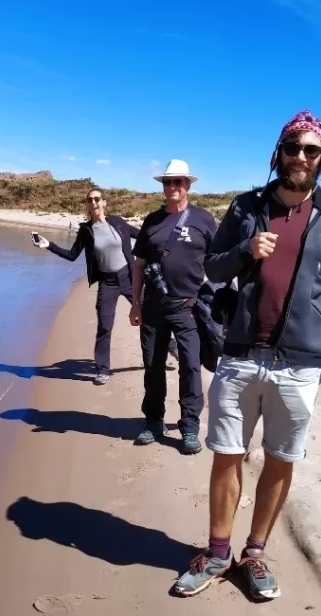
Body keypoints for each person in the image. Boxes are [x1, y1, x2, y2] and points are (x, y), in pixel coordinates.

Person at [173, 110, 321, 600]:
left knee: (280, 460)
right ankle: (217, 553)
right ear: (278, 152)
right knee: (226, 456)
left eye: (310, 150)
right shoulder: (246, 206)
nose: (300, 157)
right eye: (292, 147)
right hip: (240, 355)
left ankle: (254, 554)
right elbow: (211, 269)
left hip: (299, 364)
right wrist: (246, 251)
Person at [34, 188, 176, 385]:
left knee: (150, 314)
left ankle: (171, 345)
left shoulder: (117, 222)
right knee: (104, 326)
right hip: (107, 283)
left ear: (104, 202)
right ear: (88, 204)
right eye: (90, 200)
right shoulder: (86, 231)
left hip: (129, 277)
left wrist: (165, 246)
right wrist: (48, 245)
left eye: (97, 199)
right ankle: (102, 369)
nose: (94, 203)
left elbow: (142, 236)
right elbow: (72, 255)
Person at [129, 159, 217, 455]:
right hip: (153, 307)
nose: (172, 187)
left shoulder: (204, 220)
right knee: (153, 368)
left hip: (188, 308)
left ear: (188, 185)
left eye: (178, 181)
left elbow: (218, 264)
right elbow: (139, 265)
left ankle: (189, 426)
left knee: (190, 367)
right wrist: (135, 303)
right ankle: (153, 421)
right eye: (168, 182)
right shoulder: (151, 222)